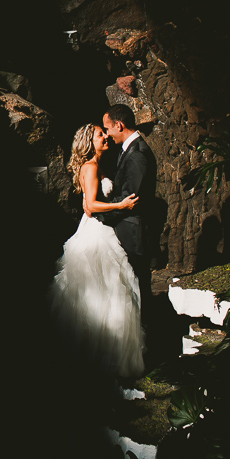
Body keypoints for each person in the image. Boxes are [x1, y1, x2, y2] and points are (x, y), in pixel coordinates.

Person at [48, 123, 145, 379]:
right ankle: (97, 357)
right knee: (101, 287)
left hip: (101, 227)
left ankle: (106, 356)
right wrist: (121, 205)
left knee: (110, 288)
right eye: (100, 134)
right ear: (89, 142)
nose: (105, 136)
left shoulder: (97, 166)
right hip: (95, 231)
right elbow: (90, 205)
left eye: (105, 132)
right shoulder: (90, 167)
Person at [101, 104, 157, 291]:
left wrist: (101, 210)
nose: (107, 135)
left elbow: (131, 198)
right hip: (129, 229)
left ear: (119, 125)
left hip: (134, 233)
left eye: (108, 129)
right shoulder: (129, 149)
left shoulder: (137, 154)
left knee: (136, 286)